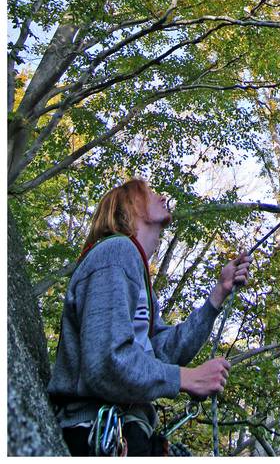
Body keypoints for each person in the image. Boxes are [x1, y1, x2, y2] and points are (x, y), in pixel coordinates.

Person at [48, 178, 251, 456]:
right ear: (131, 206)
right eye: (150, 192)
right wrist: (185, 378)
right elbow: (105, 362)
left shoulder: (135, 270)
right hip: (97, 432)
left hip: (126, 432)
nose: (162, 196)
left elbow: (160, 352)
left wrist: (218, 294)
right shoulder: (114, 253)